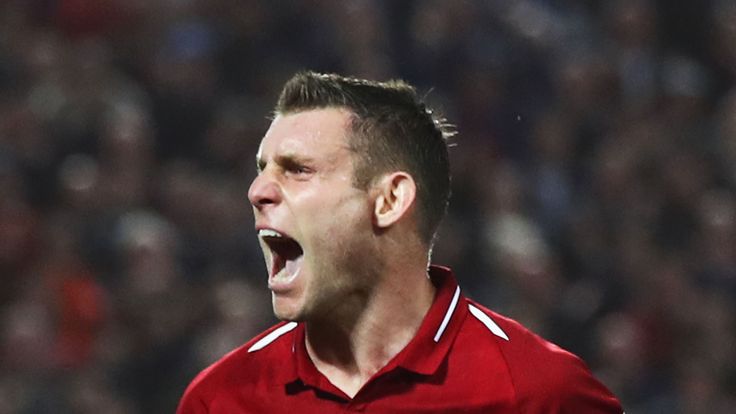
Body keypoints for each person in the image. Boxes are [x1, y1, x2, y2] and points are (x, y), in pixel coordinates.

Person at [177, 72, 624, 413]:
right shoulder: (220, 399)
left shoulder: (537, 392)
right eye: (262, 169)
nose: (258, 191)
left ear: (390, 200)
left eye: (297, 169)